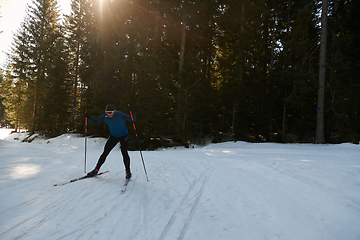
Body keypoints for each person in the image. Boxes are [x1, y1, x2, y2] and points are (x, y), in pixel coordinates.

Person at [85, 104, 136, 179]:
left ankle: (128, 171)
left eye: (110, 112)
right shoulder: (105, 116)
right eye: (107, 112)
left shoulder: (120, 115)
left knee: (124, 152)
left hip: (124, 135)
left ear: (114, 111)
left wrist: (132, 112)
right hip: (114, 136)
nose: (108, 114)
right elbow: (96, 121)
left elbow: (133, 119)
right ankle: (96, 170)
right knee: (105, 152)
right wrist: (89, 117)